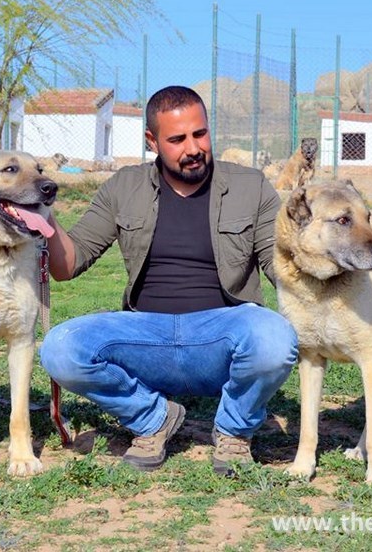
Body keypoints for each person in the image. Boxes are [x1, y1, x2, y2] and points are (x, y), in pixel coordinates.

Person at [39, 85, 298, 475]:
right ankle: (153, 419)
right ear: (152, 141)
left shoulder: (251, 186)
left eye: (200, 134)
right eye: (176, 139)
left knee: (274, 338)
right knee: (59, 348)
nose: (193, 148)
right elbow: (67, 265)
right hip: (146, 334)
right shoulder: (123, 187)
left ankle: (233, 431)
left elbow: (281, 268)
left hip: (223, 334)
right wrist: (43, 212)